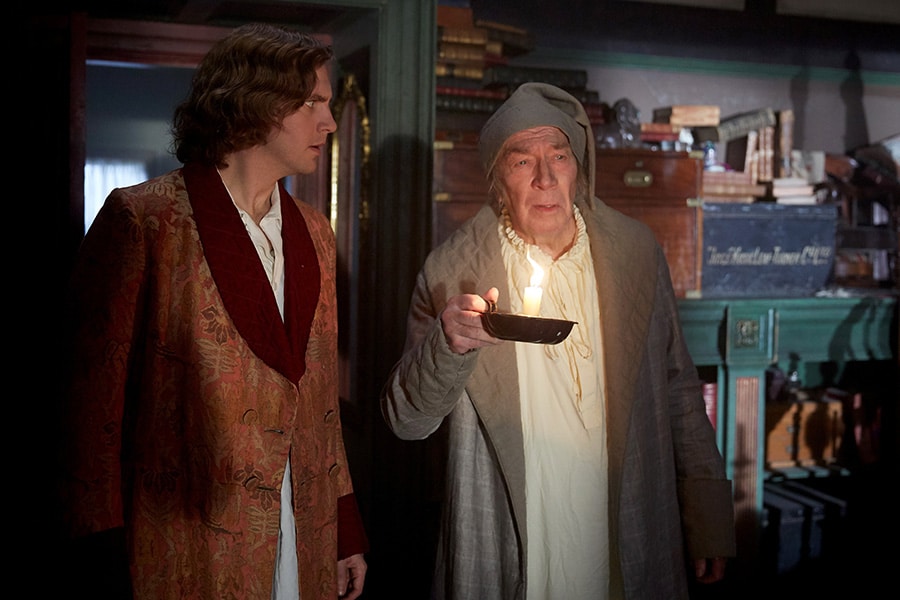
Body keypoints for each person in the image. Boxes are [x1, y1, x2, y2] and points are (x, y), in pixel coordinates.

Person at [380, 82, 735, 599]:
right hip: (516, 539)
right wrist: (448, 345)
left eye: (559, 157)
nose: (545, 178)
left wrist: (708, 519)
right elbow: (407, 421)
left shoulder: (635, 252)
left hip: (622, 524)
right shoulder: (451, 272)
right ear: (497, 180)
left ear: (579, 169)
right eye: (522, 161)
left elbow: (678, 388)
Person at [58, 23, 367, 599]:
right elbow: (89, 410)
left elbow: (320, 400)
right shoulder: (145, 220)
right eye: (312, 103)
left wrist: (343, 526)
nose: (328, 122)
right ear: (255, 104)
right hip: (185, 539)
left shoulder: (315, 233)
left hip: (303, 530)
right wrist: (99, 552)